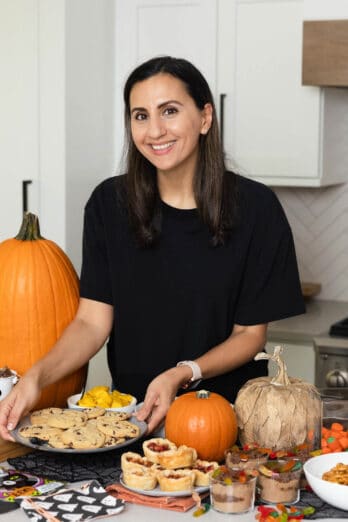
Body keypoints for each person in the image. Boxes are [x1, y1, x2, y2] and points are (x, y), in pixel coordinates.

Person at [0, 56, 305, 440]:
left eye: (170, 111)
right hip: (130, 423)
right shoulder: (108, 205)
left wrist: (183, 373)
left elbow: (249, 335)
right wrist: (36, 378)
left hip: (228, 424)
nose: (155, 130)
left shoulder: (257, 210)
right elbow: (91, 323)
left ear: (205, 117)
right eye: (140, 115)